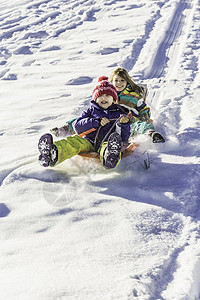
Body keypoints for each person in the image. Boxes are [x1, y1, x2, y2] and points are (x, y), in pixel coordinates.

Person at [51, 68, 165, 143]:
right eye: (116, 81)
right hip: (110, 118)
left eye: (122, 80)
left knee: (139, 125)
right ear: (112, 81)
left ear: (127, 82)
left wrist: (145, 117)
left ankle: (151, 134)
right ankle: (65, 128)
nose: (119, 83)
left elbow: (144, 108)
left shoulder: (134, 96)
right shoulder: (108, 94)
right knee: (84, 118)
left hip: (130, 118)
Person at [38, 76, 130, 169]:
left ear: (114, 99)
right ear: (95, 99)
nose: (104, 98)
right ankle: (53, 153)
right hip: (88, 141)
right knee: (75, 141)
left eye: (107, 95)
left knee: (109, 146)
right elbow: (77, 126)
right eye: (100, 95)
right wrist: (95, 122)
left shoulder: (119, 114)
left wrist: (124, 124)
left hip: (107, 142)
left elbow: (124, 137)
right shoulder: (90, 111)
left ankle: (110, 157)